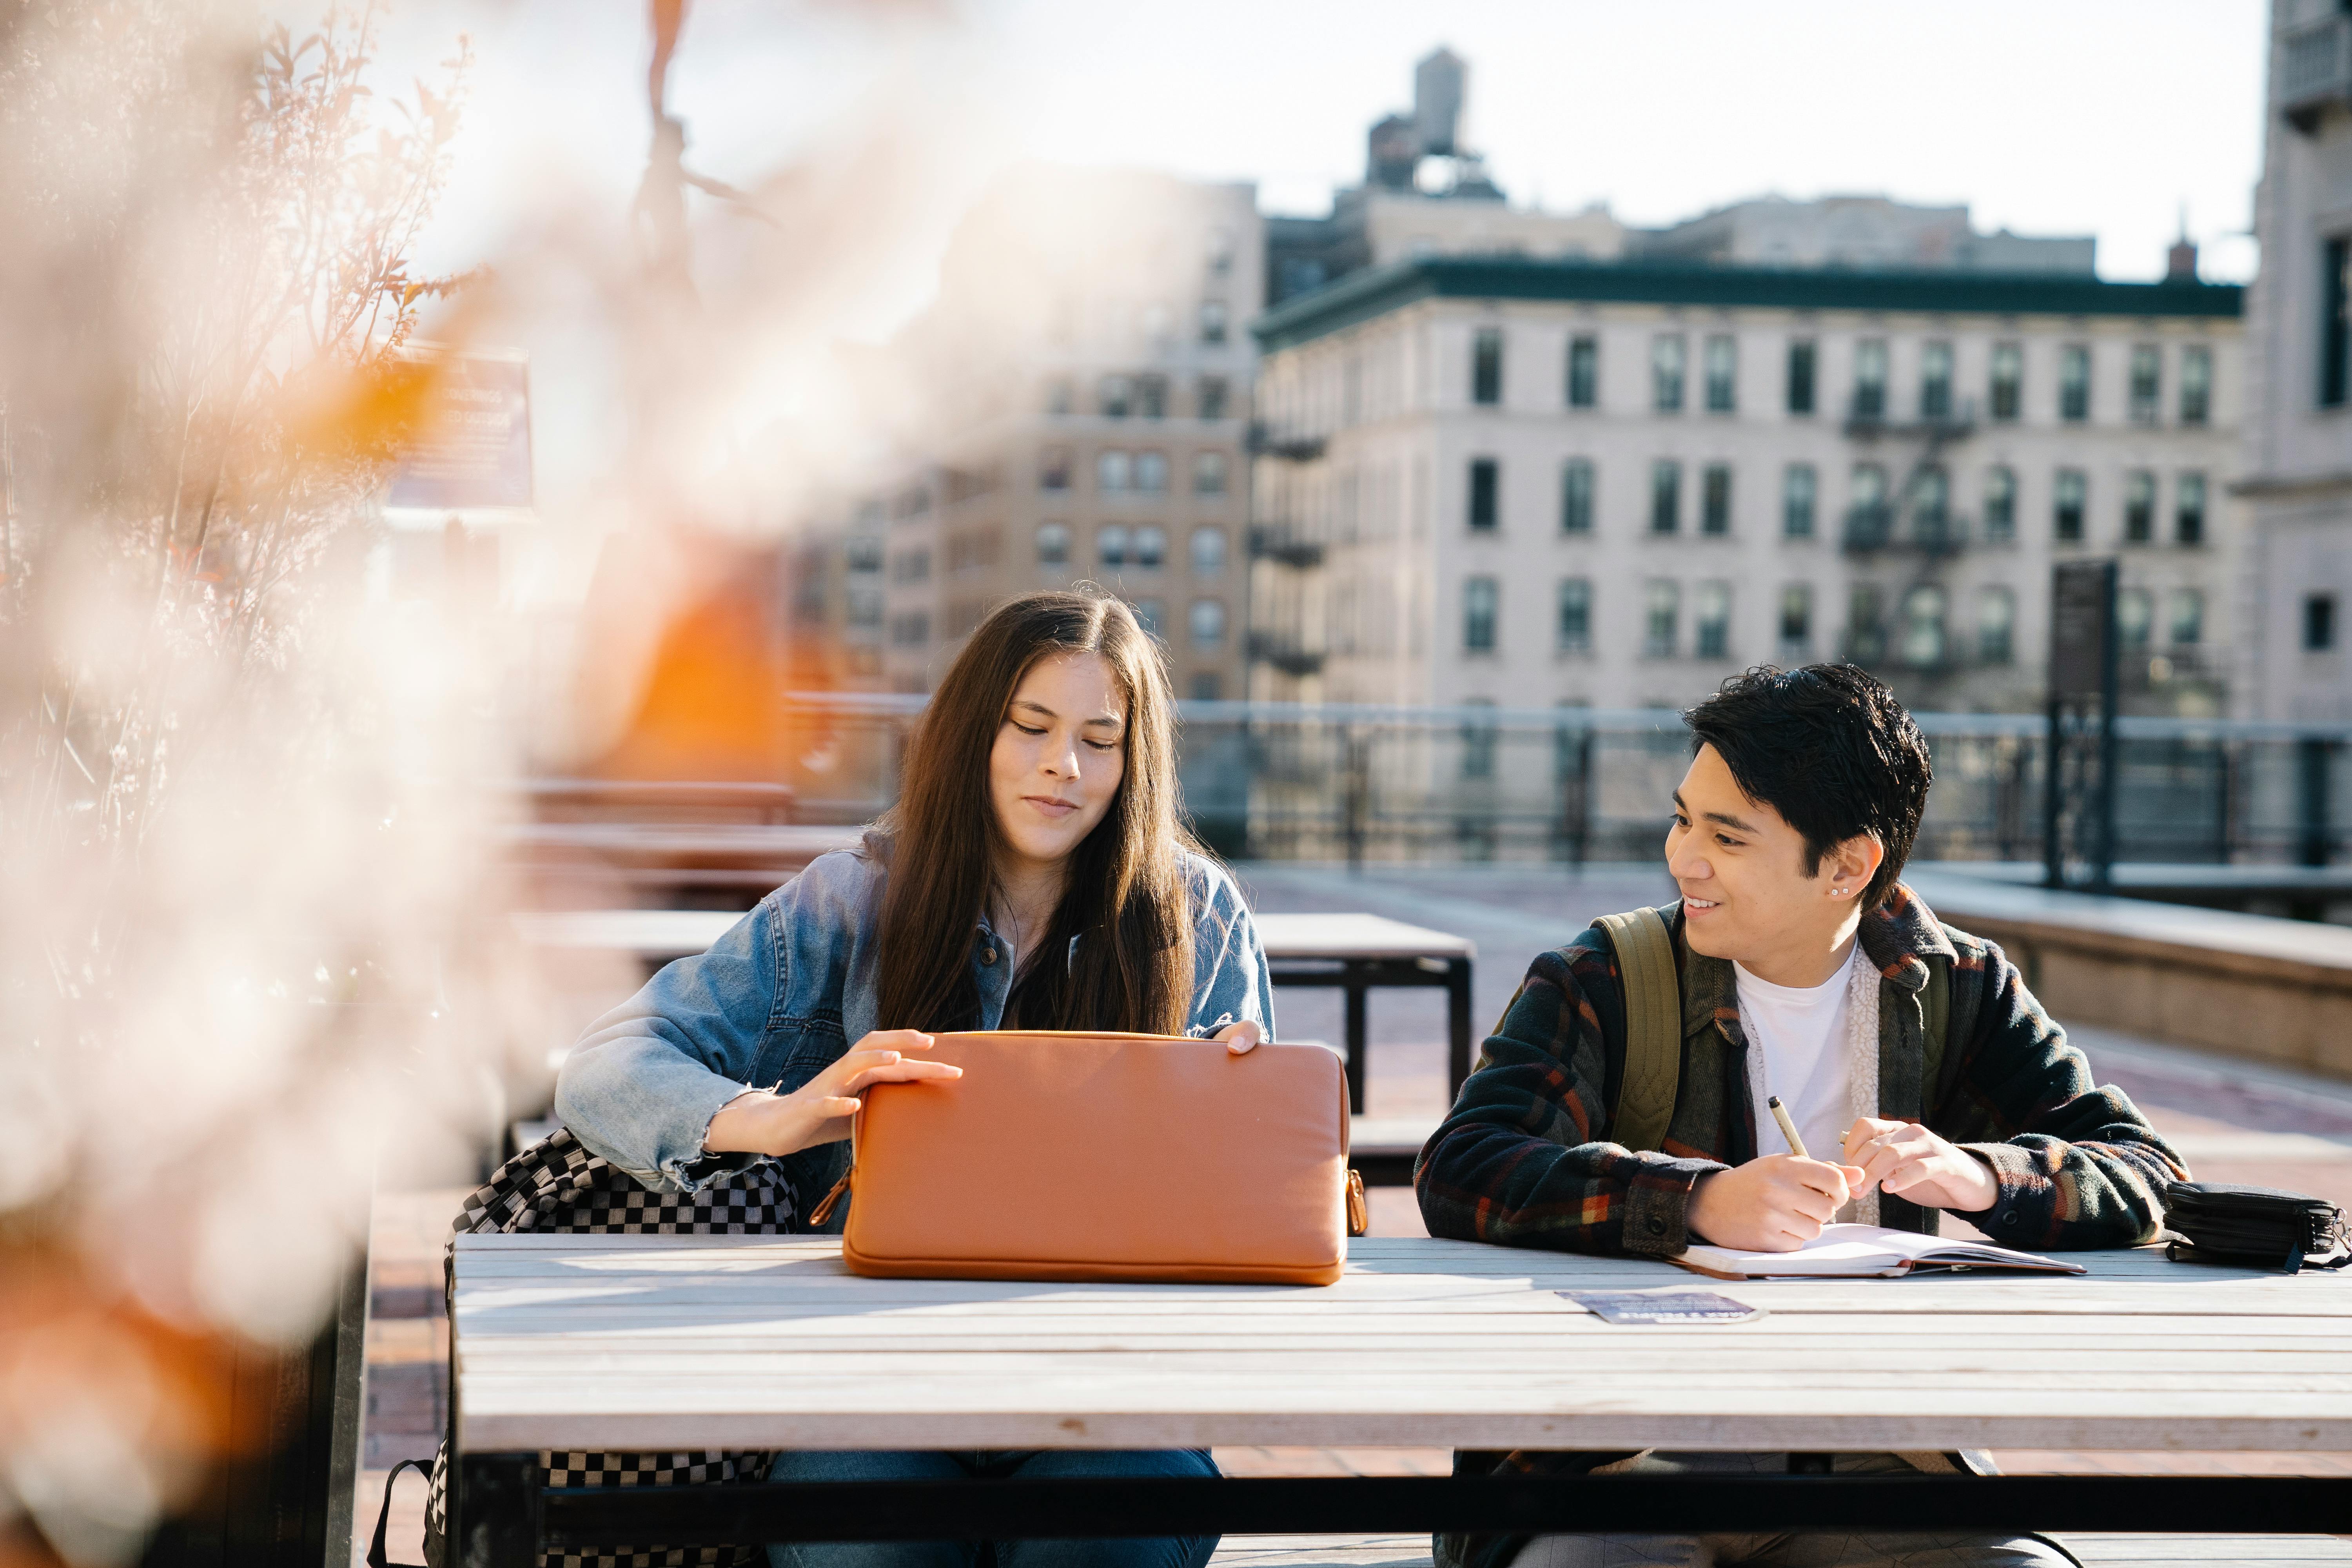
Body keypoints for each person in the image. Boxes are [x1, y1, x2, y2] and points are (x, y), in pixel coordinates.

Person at [557, 589, 1273, 1568]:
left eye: (1101, 740)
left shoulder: (1199, 914)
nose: (1065, 764)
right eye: (1032, 727)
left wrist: (1244, 1115)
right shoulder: (850, 901)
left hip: (1109, 1393)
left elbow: (1246, 1223)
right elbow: (601, 1063)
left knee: (1108, 1540)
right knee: (867, 1547)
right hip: (874, 1384)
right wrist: (773, 1118)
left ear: (1132, 763)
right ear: (974, 732)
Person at [1414, 664, 2186, 1568]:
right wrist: (1695, 1200)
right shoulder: (1604, 973)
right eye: (1682, 818)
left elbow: (2146, 1167)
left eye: (1727, 836)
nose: (1682, 857)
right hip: (1604, 1458)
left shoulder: (1961, 986)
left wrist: (1977, 1175)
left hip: (1867, 1452)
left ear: (1849, 864)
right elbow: (1463, 1165)